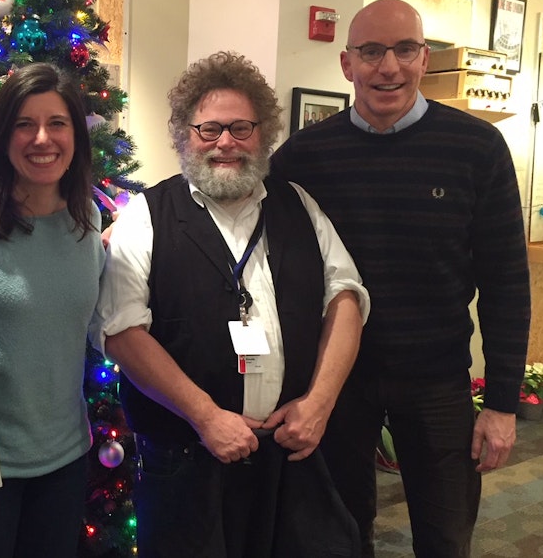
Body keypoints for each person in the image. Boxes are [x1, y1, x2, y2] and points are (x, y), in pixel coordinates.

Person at [271, 0, 532, 558]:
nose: (387, 67)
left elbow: (507, 283)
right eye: (370, 51)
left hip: (437, 379)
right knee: (336, 533)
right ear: (347, 63)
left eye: (404, 49)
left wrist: (503, 404)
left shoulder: (478, 150)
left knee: (445, 535)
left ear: (423, 59)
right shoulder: (303, 157)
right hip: (335, 380)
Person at [93, 50, 370, 556]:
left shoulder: (300, 205)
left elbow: (347, 298)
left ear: (263, 134)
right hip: (186, 459)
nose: (226, 143)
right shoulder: (146, 215)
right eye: (210, 129)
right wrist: (206, 417)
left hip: (291, 453)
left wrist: (320, 404)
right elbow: (122, 333)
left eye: (242, 128)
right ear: (185, 135)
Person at [0, 63, 105, 558]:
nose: (42, 139)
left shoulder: (89, 223)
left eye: (57, 123)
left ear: (76, 134)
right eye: (24, 124)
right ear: (2, 136)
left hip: (65, 456)